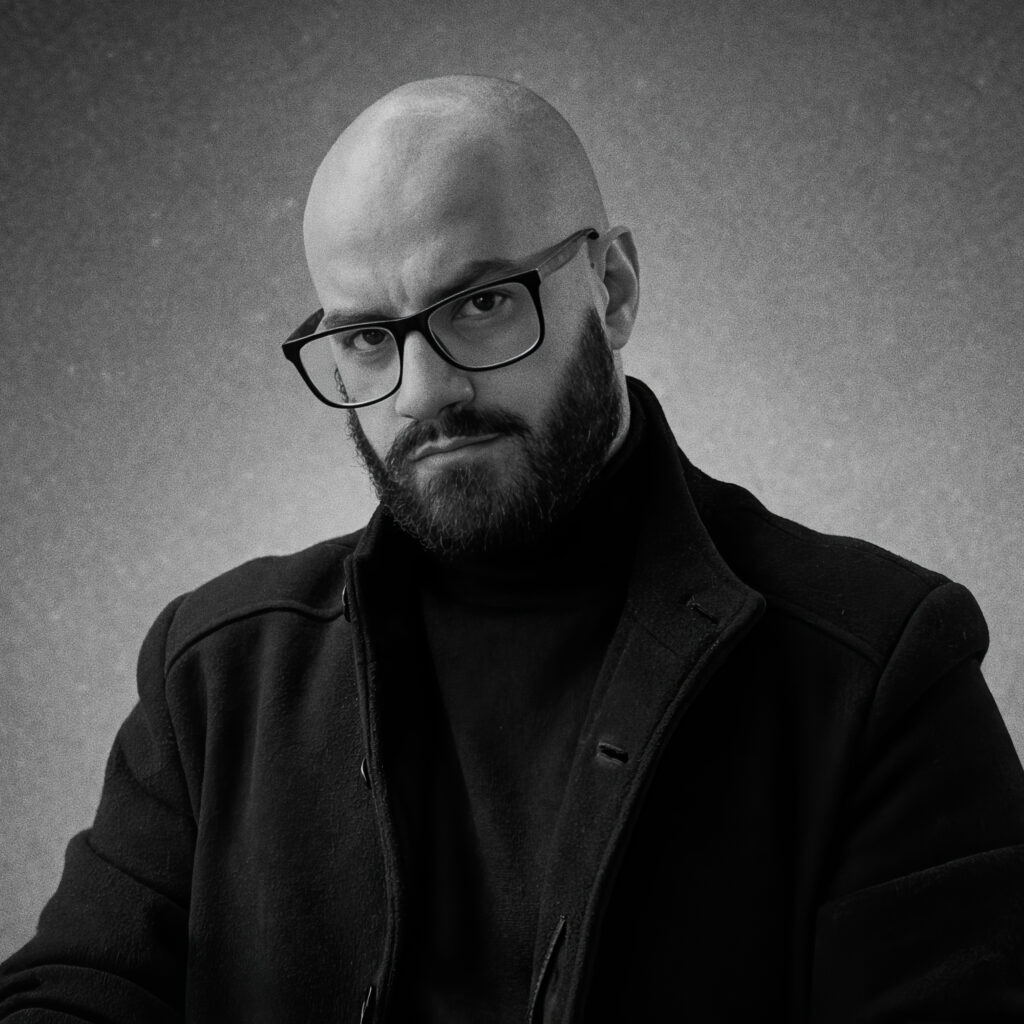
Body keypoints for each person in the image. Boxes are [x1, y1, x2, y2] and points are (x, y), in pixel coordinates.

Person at [2, 75, 1023, 1024]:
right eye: (366, 338)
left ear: (612, 289)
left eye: (482, 304)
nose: (423, 392)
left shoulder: (880, 666)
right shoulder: (212, 672)